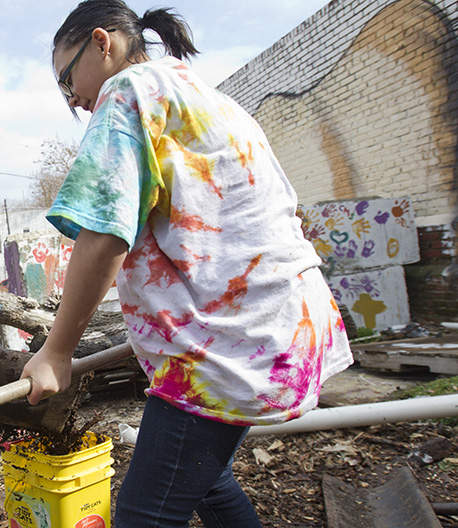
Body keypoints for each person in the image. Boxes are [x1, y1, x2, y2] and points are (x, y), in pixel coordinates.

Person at [20, 2, 353, 527]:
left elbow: (105, 233)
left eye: (66, 78)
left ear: (102, 44)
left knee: (143, 516)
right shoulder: (206, 96)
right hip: (285, 325)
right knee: (206, 479)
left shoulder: (128, 92)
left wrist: (56, 352)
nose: (72, 99)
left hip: (228, 344)